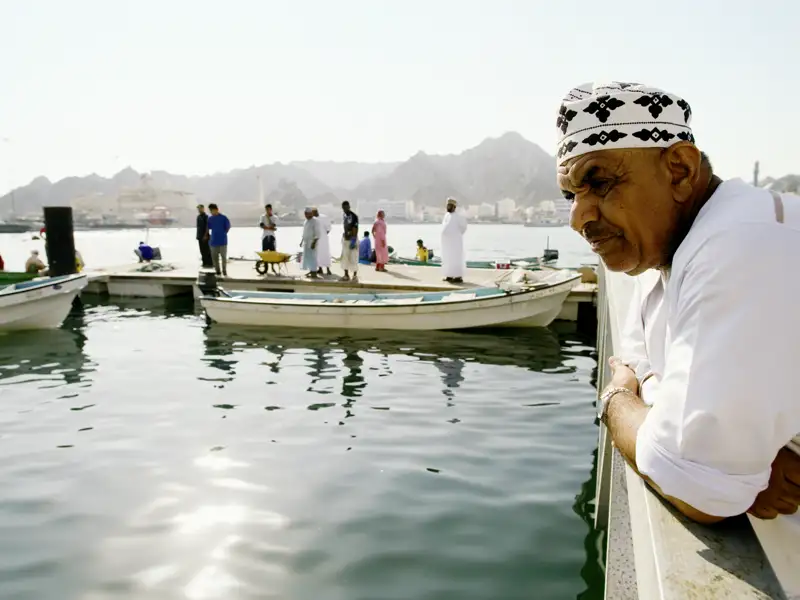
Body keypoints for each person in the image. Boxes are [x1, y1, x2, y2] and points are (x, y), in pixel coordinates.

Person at [557, 81, 800, 526]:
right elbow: (635, 347)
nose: (578, 217)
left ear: (679, 171)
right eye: (571, 195)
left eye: (599, 183)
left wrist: (615, 402)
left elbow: (700, 491)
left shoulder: (738, 246)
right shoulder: (672, 256)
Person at [440, 197, 467, 283]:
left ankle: (458, 277)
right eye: (447, 205)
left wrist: (456, 235)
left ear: (454, 207)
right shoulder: (446, 216)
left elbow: (464, 227)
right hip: (447, 243)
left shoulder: (458, 217)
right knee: (447, 259)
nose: (448, 207)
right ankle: (449, 276)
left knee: (456, 259)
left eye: (450, 206)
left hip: (455, 242)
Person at [207, 203, 231, 277]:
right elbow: (208, 228)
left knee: (223, 257)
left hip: (223, 241)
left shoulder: (223, 218)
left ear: (216, 209)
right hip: (213, 241)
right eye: (210, 211)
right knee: (215, 258)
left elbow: (228, 227)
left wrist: (223, 233)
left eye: (212, 210)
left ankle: (224, 271)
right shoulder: (210, 219)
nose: (211, 212)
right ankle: (218, 271)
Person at [340, 201, 359, 282]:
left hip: (352, 240)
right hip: (345, 239)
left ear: (349, 206)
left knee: (353, 258)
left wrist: (353, 240)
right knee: (345, 257)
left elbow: (355, 228)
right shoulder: (344, 215)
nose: (345, 209)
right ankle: (346, 275)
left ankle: (355, 276)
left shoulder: (354, 216)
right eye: (343, 208)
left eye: (346, 207)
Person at [258, 204, 280, 275]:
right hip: (265, 236)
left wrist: (269, 227)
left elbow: (273, 225)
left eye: (269, 209)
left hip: (272, 237)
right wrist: (270, 228)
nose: (267, 211)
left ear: (271, 209)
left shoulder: (275, 217)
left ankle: (273, 267)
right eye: (266, 210)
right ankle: (265, 267)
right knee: (264, 253)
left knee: (272, 252)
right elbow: (261, 225)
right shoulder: (262, 216)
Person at [299, 207, 320, 278]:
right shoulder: (306, 221)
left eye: (307, 214)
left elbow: (317, 233)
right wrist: (301, 242)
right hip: (306, 242)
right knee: (308, 257)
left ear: (310, 213)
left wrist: (314, 242)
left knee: (313, 257)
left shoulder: (315, 221)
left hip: (312, 242)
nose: (306, 215)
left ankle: (314, 273)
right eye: (305, 214)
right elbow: (305, 232)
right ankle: (311, 271)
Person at [312, 207, 332, 276]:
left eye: (314, 213)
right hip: (317, 239)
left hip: (324, 240)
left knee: (325, 253)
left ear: (317, 212)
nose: (313, 214)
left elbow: (328, 228)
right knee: (317, 255)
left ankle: (328, 270)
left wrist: (323, 235)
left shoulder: (324, 217)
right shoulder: (313, 219)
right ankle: (320, 269)